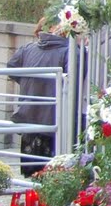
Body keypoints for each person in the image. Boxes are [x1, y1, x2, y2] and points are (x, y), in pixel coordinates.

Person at [7, 20, 70, 176]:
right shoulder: (69, 51)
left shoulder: (27, 49)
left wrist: (28, 84)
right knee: (54, 174)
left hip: (29, 118)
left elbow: (11, 68)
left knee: (33, 174)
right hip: (54, 121)